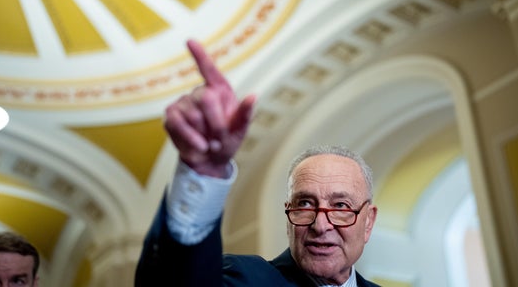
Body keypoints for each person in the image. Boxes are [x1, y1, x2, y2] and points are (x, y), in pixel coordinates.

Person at [135, 40, 379, 286]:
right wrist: (203, 175)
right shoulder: (246, 278)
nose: (320, 224)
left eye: (340, 206)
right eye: (304, 203)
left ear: (368, 221)